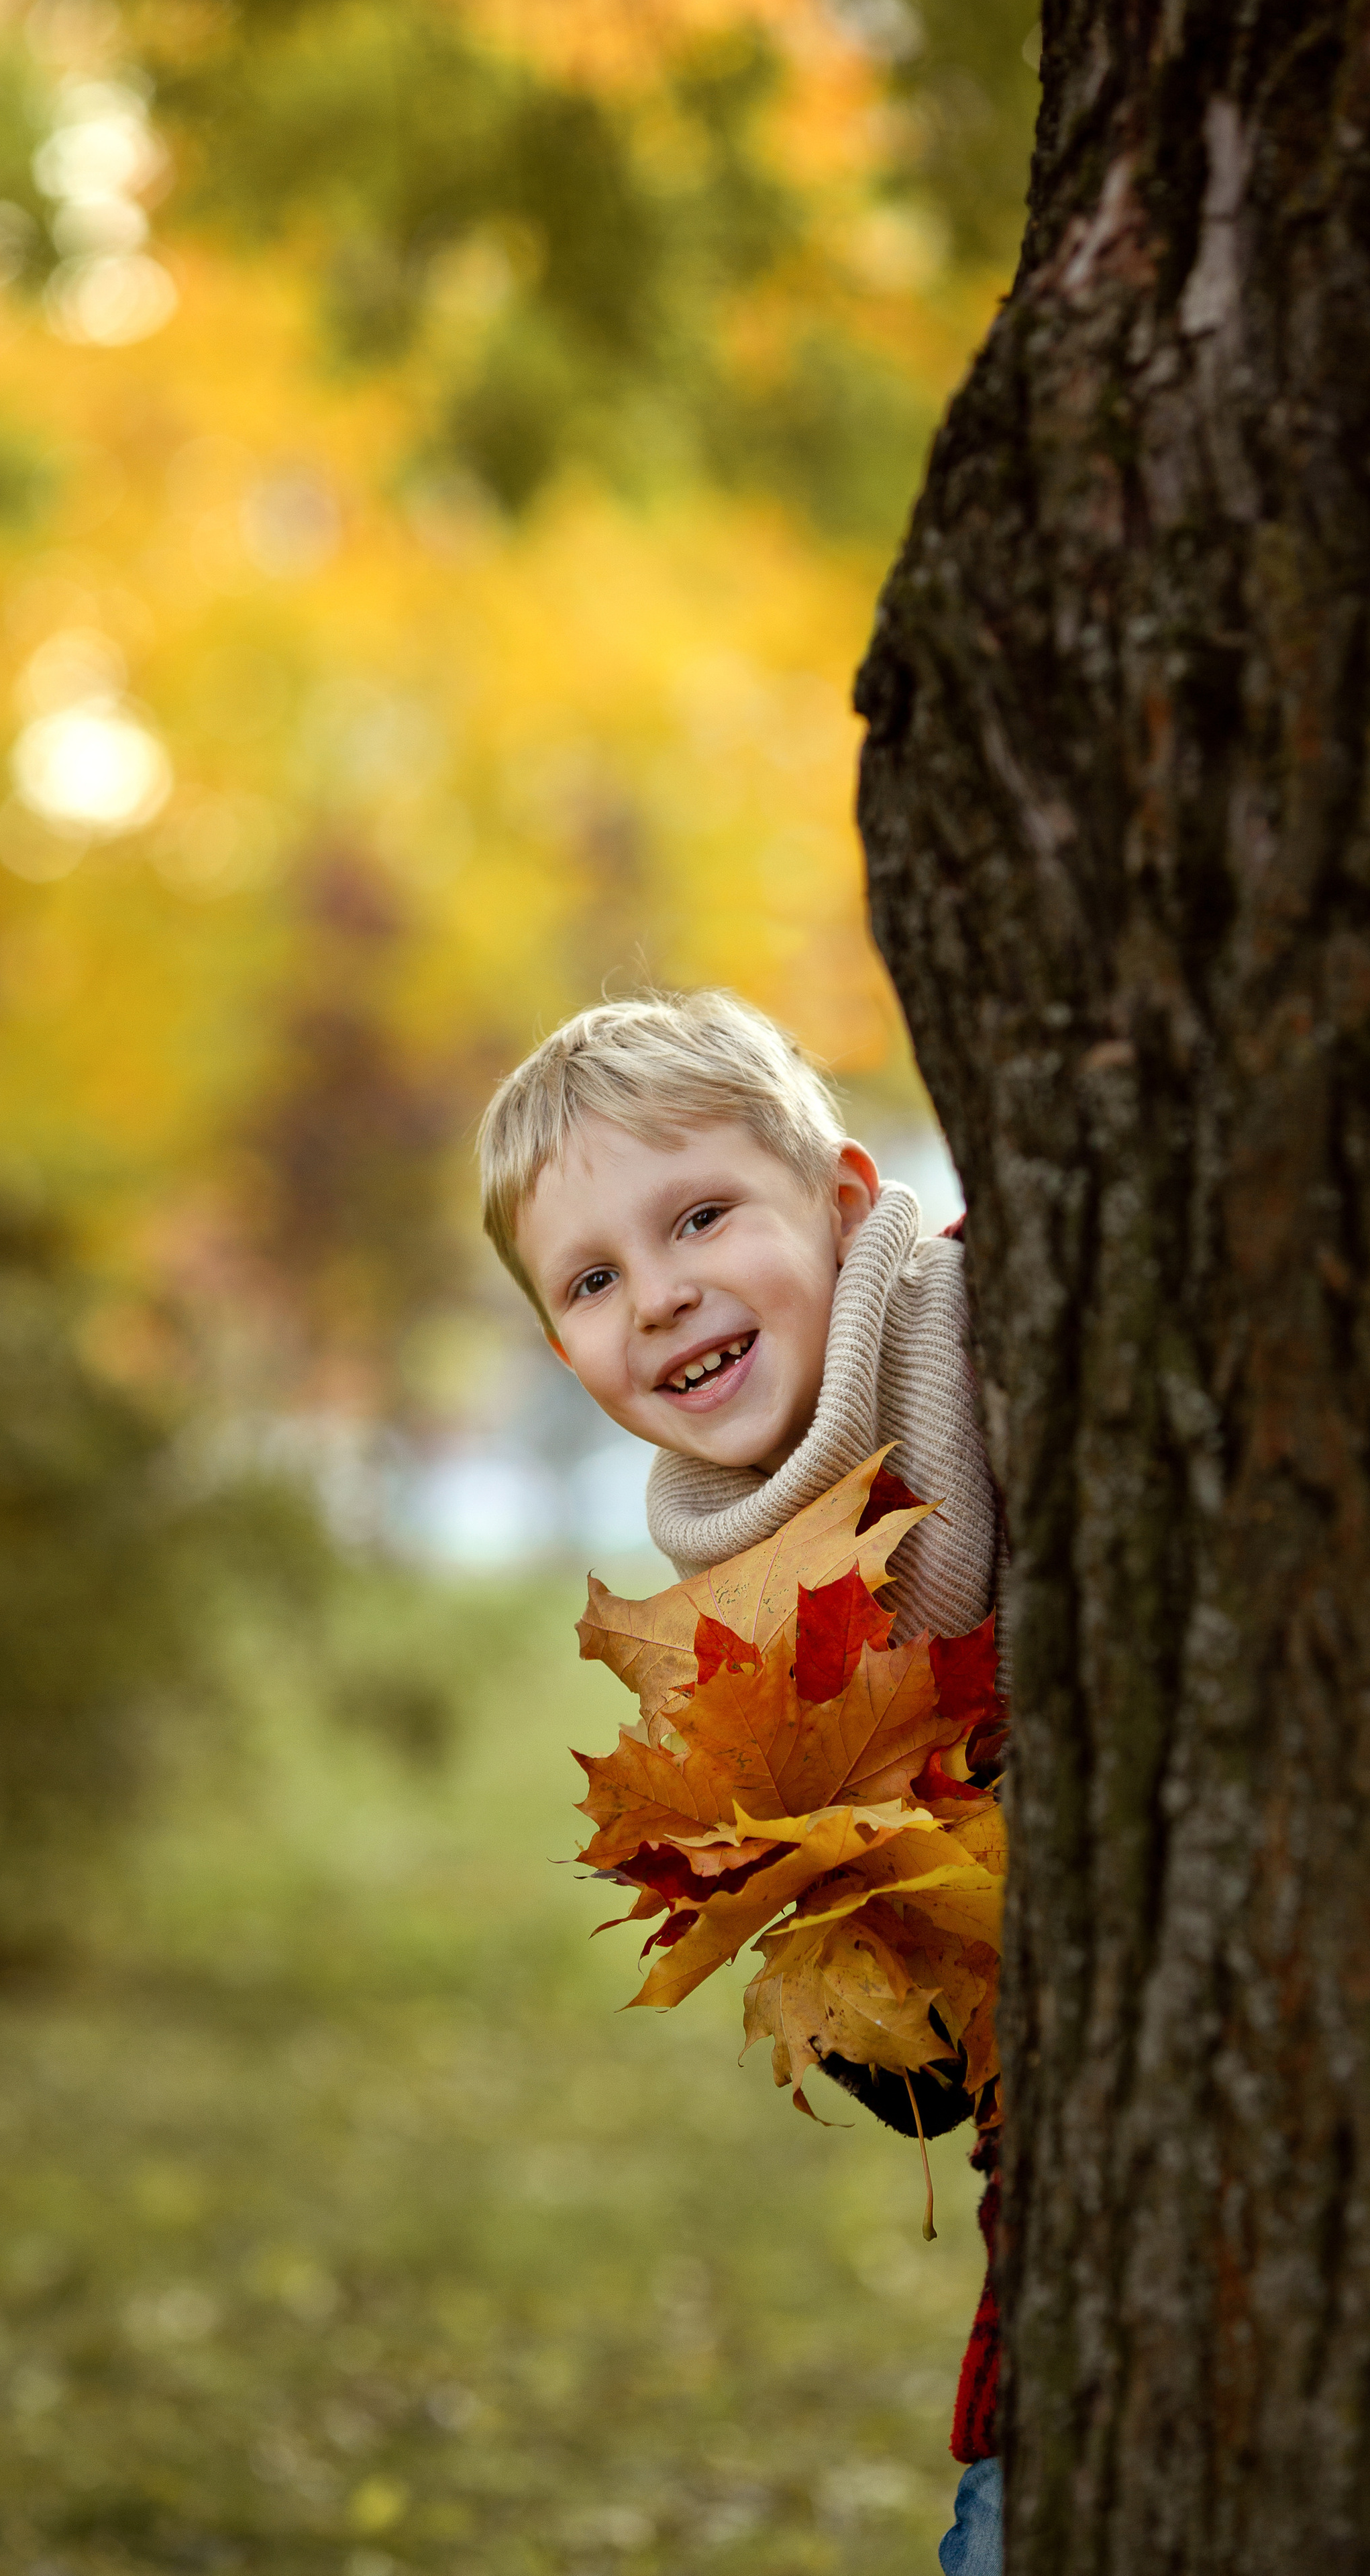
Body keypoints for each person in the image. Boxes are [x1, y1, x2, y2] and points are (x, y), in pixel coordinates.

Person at [477, 987, 1006, 2574]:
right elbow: (925, 2052)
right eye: (589, 1279)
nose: (657, 1296)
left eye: (699, 1214)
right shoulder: (735, 1634)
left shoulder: (988, 1326)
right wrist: (867, 1957)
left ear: (843, 1198)